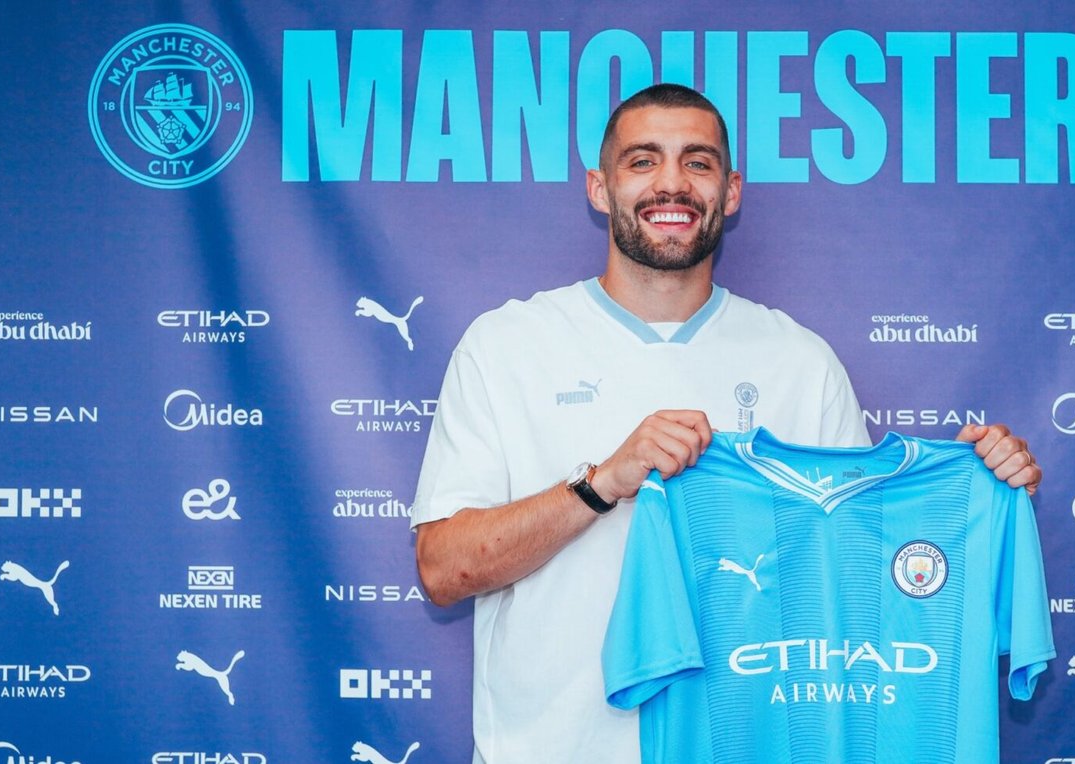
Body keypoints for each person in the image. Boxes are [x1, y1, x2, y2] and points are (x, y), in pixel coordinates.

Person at [411, 83, 1041, 764]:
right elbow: (443, 570)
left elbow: (866, 586)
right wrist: (600, 484)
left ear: (731, 192)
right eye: (643, 161)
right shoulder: (506, 346)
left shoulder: (799, 362)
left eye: (698, 163)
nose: (672, 184)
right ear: (600, 187)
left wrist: (978, 487)